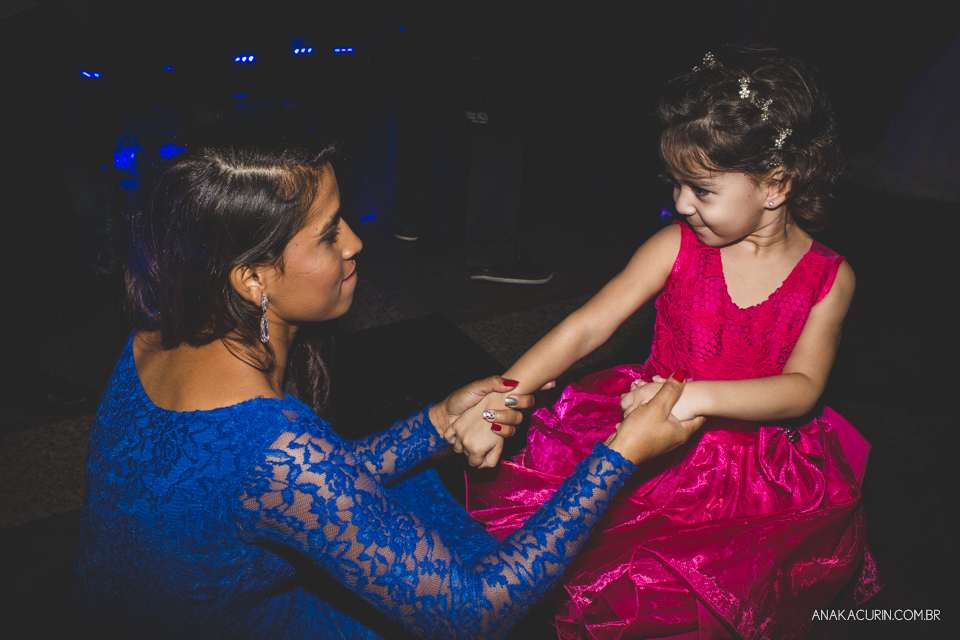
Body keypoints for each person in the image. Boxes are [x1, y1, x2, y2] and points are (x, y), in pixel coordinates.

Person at [70, 123, 707, 639]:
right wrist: (621, 454)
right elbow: (471, 614)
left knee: (418, 492)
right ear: (251, 277)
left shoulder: (158, 333)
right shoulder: (269, 441)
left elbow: (287, 491)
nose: (356, 242)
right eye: (327, 234)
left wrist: (434, 420)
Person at [451, 48, 883, 638]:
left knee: (709, 601)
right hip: (641, 434)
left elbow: (802, 390)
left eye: (702, 190)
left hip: (753, 478)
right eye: (676, 184)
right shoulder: (675, 246)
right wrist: (502, 400)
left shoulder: (829, 278)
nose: (681, 203)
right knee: (591, 573)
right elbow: (587, 326)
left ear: (775, 186)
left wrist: (691, 396)